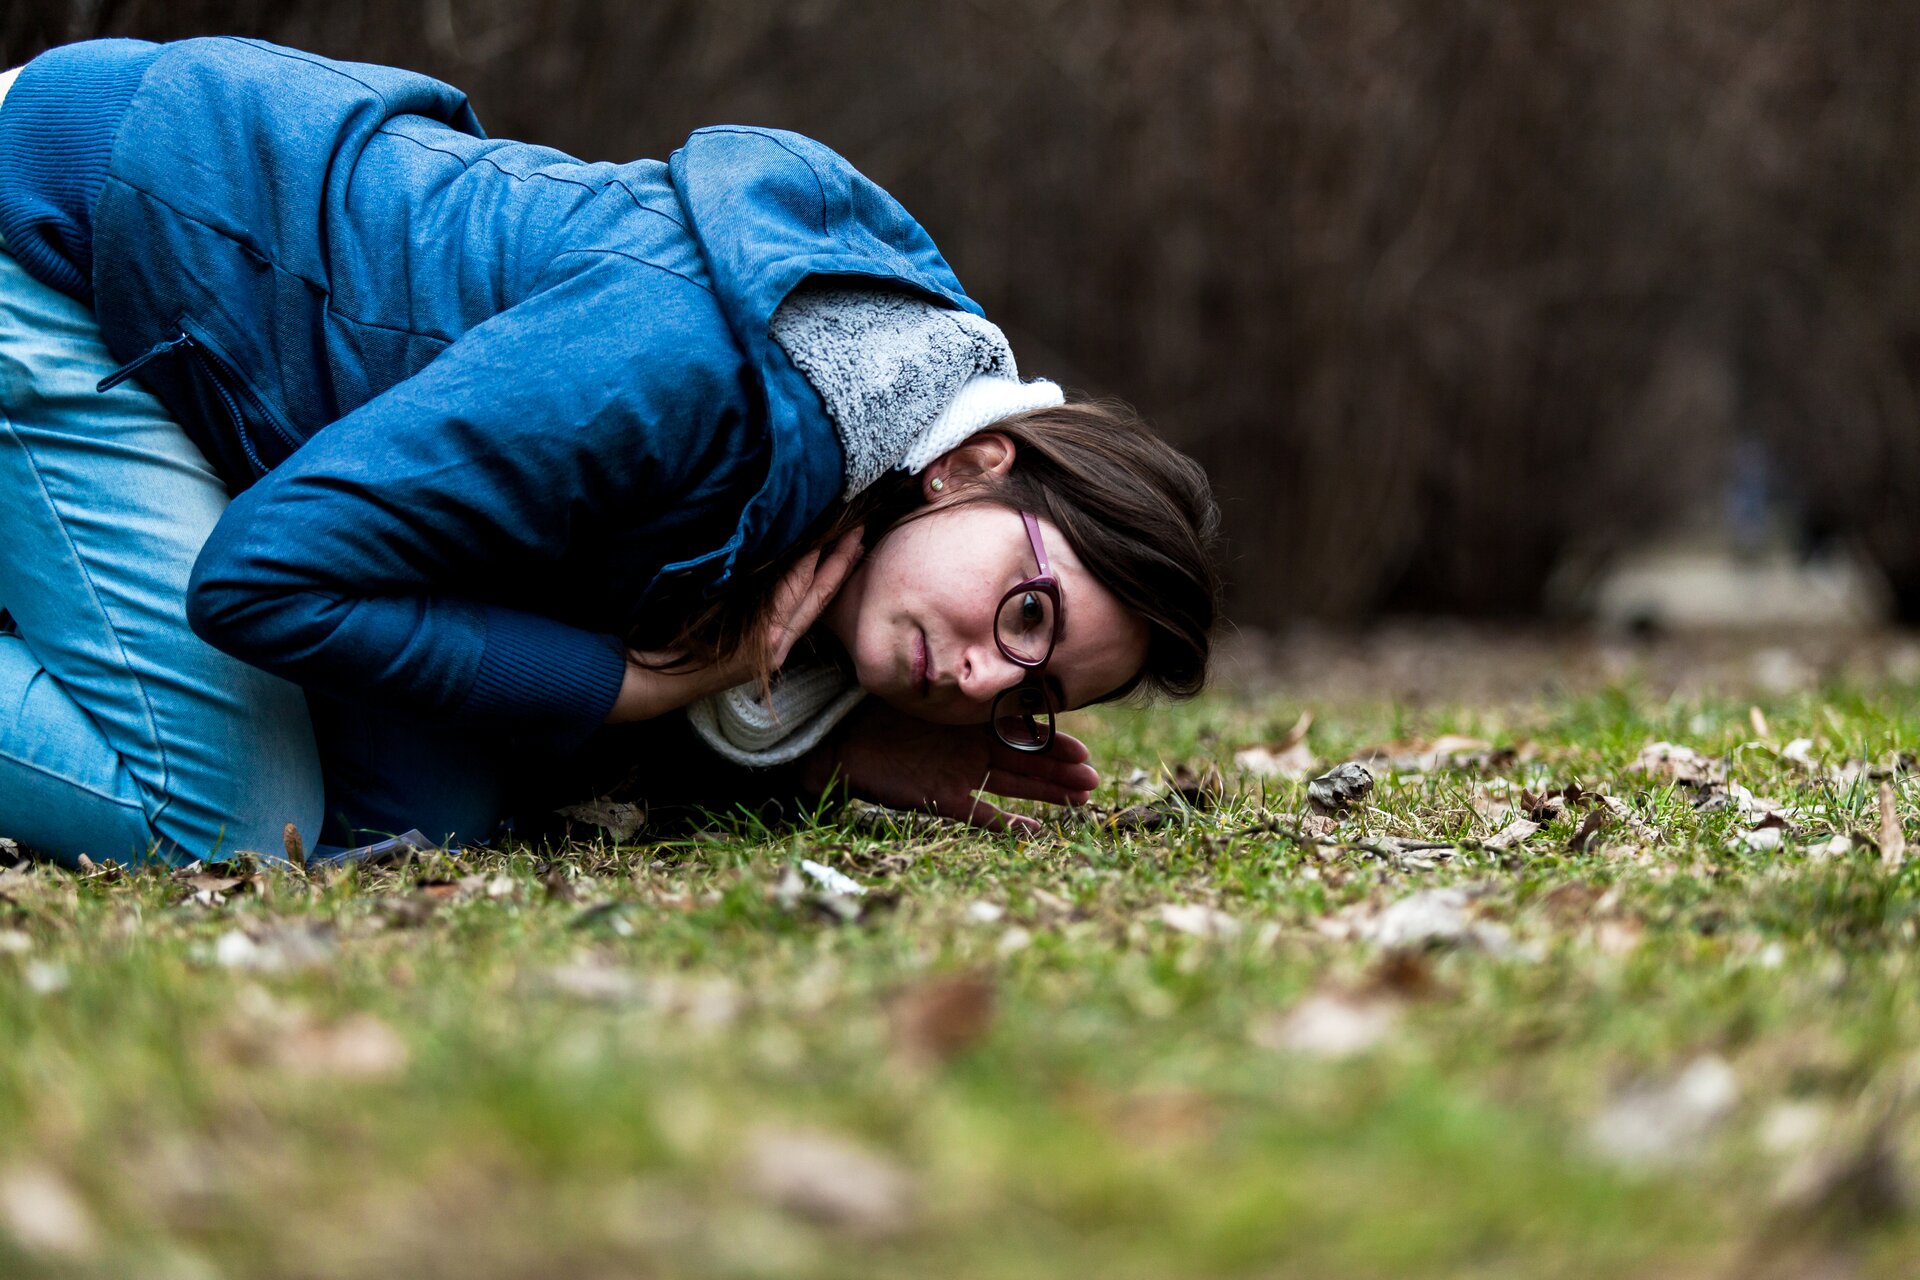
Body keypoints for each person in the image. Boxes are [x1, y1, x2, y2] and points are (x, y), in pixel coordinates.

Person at [0, 36, 1220, 868]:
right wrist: (648, 687)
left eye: (1034, 697)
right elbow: (261, 577)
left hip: (201, 325)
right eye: (1025, 615)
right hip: (65, 232)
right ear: (974, 464)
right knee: (223, 814)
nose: (984, 686)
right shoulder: (683, 363)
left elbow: (560, 640)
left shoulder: (843, 464)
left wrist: (820, 754)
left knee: (422, 812)